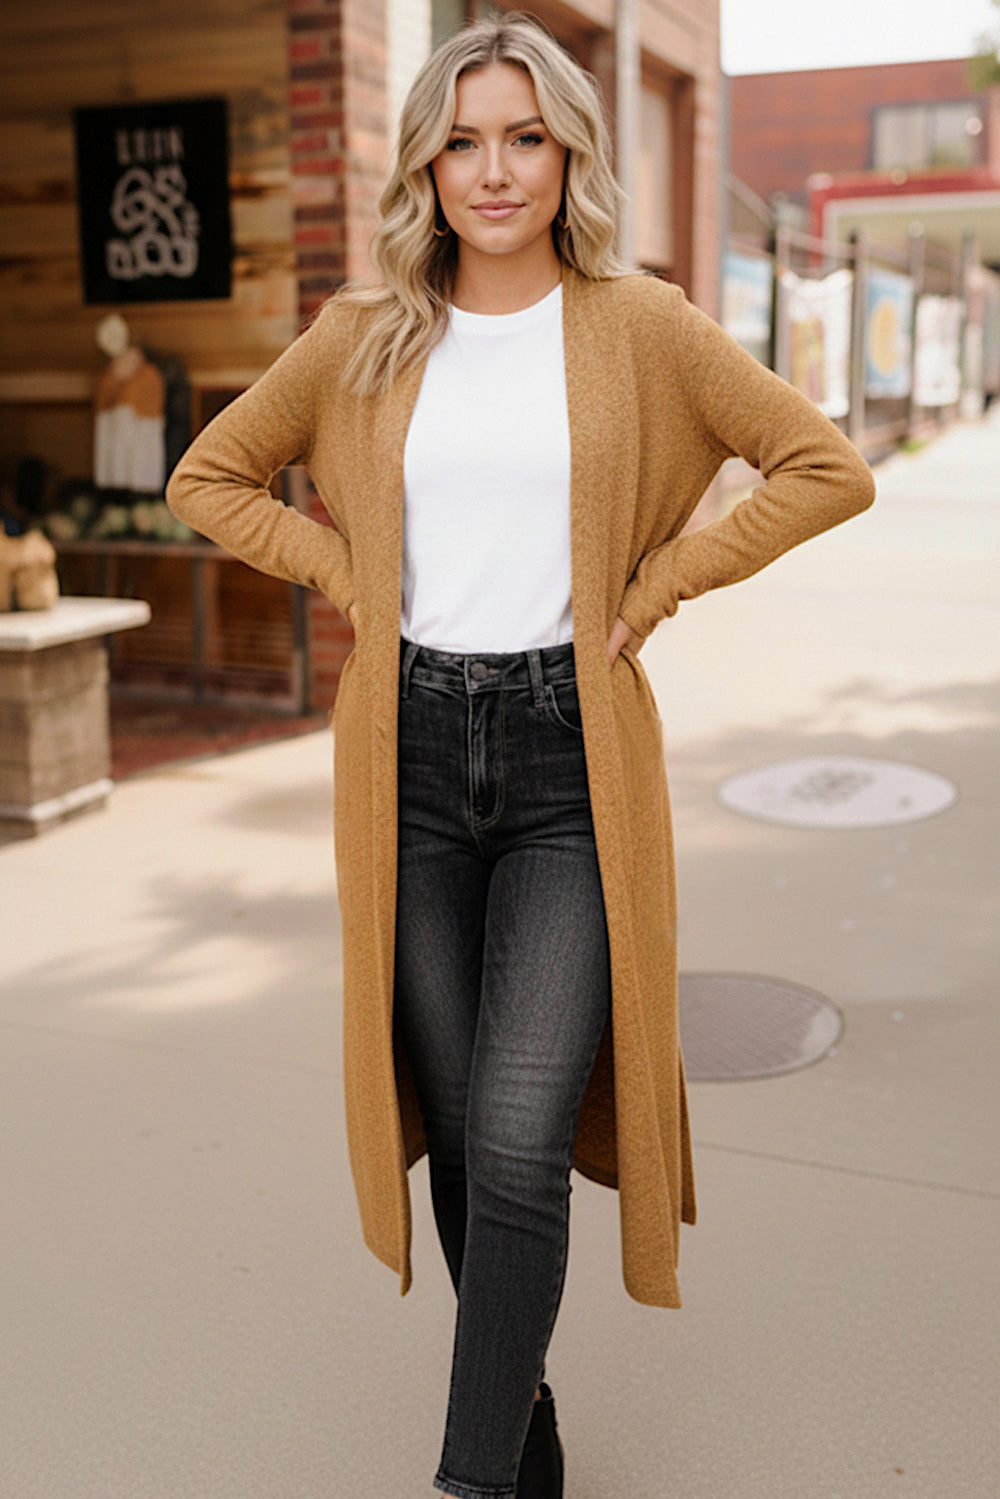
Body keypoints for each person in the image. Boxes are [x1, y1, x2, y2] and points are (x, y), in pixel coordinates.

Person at [165, 14, 876, 1499]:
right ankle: (522, 1423)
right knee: (457, 1122)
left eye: (527, 138)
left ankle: (470, 1477)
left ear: (567, 155)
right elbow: (212, 475)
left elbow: (826, 465)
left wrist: (657, 585)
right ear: (428, 158)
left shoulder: (641, 325)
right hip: (409, 757)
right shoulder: (364, 333)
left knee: (514, 1131)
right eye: (466, 139)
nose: (495, 171)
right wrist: (357, 581)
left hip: (569, 764)